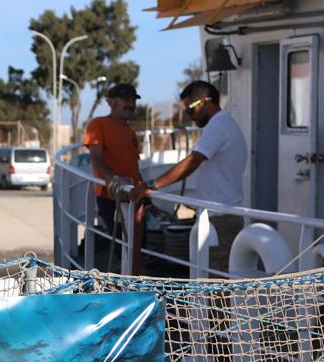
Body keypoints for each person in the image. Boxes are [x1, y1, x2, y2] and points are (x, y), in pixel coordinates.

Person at [139, 79, 248, 275]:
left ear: (205, 102)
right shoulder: (222, 125)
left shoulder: (219, 126)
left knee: (217, 285)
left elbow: (192, 162)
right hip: (219, 216)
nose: (190, 118)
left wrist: (152, 185)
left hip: (220, 219)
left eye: (190, 110)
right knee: (212, 282)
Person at [84, 82, 146, 270]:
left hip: (134, 197)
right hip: (111, 197)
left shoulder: (131, 132)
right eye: (125, 99)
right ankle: (127, 285)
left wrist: (146, 190)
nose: (130, 104)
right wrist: (113, 177)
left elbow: (133, 166)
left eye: (133, 100)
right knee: (121, 246)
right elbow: (96, 159)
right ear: (111, 102)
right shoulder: (98, 124)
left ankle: (137, 281)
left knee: (140, 245)